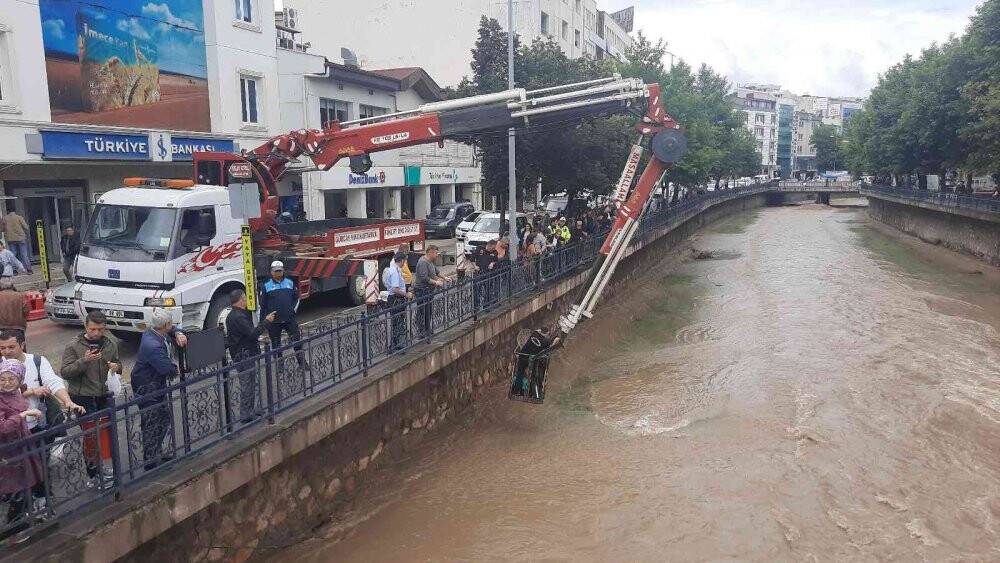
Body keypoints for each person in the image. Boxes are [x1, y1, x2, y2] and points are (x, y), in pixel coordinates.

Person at [60, 310, 120, 486]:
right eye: (93, 329)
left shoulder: (110, 344)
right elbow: (65, 372)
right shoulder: (73, 346)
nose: (96, 333)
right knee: (91, 436)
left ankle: (104, 468)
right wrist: (84, 361)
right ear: (86, 326)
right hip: (83, 397)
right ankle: (93, 475)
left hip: (103, 395)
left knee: (105, 433)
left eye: (100, 329)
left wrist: (117, 366)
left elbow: (118, 363)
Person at [0, 330, 85, 439]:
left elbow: (53, 382)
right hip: (11, 430)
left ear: (22, 345)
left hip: (38, 422)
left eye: (11, 347)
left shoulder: (37, 361)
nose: (7, 351)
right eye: (2, 348)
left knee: (44, 453)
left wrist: (67, 401)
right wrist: (32, 391)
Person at [132, 309, 186, 471]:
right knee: (152, 421)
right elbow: (165, 369)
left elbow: (172, 330)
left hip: (153, 385)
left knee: (162, 419)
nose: (172, 326)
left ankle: (156, 452)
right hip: (148, 388)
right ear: (166, 325)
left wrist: (177, 333)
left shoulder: (152, 332)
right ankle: (150, 459)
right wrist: (176, 370)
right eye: (171, 324)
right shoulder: (153, 346)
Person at [0, 359, 45, 542]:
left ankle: (22, 521)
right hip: (7, 451)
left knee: (27, 483)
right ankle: (13, 529)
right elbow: (2, 428)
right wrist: (23, 415)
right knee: (16, 487)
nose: (6, 382)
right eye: (3, 378)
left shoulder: (16, 394)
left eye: (11, 378)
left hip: (22, 445)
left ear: (19, 380)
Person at [225, 290, 275, 423]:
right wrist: (266, 321)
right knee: (247, 384)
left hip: (244, 353)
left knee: (253, 382)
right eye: (245, 299)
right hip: (244, 355)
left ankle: (252, 409)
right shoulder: (238, 317)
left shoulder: (234, 315)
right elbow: (252, 333)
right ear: (241, 300)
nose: (247, 301)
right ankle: (245, 415)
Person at [260, 261, 305, 367]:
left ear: (283, 270)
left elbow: (296, 298)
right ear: (271, 272)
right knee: (276, 344)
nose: (278, 273)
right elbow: (263, 304)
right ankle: (280, 364)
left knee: (296, 341)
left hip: (289, 319)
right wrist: (264, 321)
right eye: (276, 271)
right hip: (274, 321)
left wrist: (292, 310)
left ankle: (302, 362)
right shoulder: (266, 286)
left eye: (280, 270)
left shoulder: (290, 282)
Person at [509, 325, 561, 403]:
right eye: (547, 334)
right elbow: (547, 347)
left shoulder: (535, 335)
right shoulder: (542, 341)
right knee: (534, 376)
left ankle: (517, 392)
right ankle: (534, 395)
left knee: (521, 375)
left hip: (523, 357)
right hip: (531, 359)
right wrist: (554, 341)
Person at [413, 245, 448, 339]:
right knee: (422, 311)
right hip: (422, 290)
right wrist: (436, 282)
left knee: (428, 310)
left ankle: (428, 329)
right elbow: (424, 278)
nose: (437, 255)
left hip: (429, 290)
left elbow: (436, 272)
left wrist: (444, 278)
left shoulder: (430, 262)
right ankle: (421, 331)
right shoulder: (422, 262)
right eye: (436, 253)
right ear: (430, 252)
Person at [384, 252, 412, 351]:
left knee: (396, 321)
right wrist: (406, 294)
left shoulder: (391, 269)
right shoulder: (395, 272)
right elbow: (395, 289)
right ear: (402, 260)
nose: (405, 262)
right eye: (405, 260)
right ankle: (397, 344)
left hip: (393, 298)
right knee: (398, 321)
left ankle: (395, 343)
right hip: (397, 299)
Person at [1, 209, 32, 274]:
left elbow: (2, 229)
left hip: (10, 239)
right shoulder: (19, 217)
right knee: (24, 254)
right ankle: (29, 270)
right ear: (14, 211)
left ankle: (14, 271)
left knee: (12, 255)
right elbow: (26, 227)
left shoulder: (4, 219)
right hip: (21, 238)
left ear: (7, 212)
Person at [0, 278, 28, 345]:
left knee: (3, 348)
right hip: (18, 326)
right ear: (12, 285)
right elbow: (26, 310)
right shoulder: (20, 295)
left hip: (2, 326)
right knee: (19, 346)